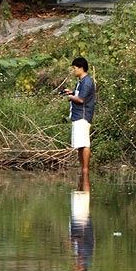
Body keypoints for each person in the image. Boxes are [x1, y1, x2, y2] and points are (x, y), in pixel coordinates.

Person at [62, 57, 96, 192]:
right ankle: (83, 169)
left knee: (85, 144)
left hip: (82, 116)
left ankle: (85, 170)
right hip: (77, 117)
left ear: (81, 67)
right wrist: (71, 92)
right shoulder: (80, 82)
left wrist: (71, 97)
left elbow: (81, 99)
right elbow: (79, 94)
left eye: (74, 68)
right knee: (79, 145)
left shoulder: (87, 82)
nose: (73, 70)